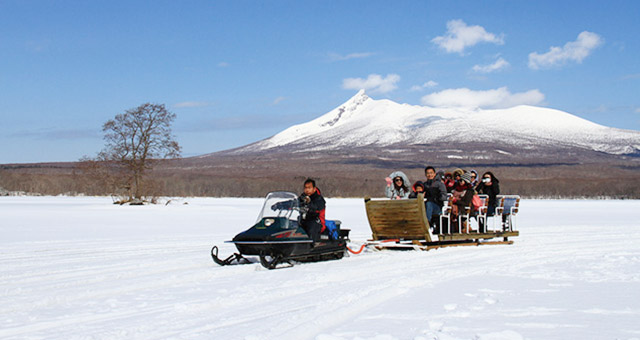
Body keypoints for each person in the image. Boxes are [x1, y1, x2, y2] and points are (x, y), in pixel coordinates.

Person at [299, 178, 326, 242]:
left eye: (309, 188)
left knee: (311, 227)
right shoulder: (303, 197)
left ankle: (312, 245)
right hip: (304, 220)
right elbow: (295, 202)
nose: (307, 190)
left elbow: (317, 206)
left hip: (316, 221)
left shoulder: (319, 198)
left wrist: (309, 204)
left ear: (314, 189)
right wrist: (281, 205)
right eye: (305, 188)